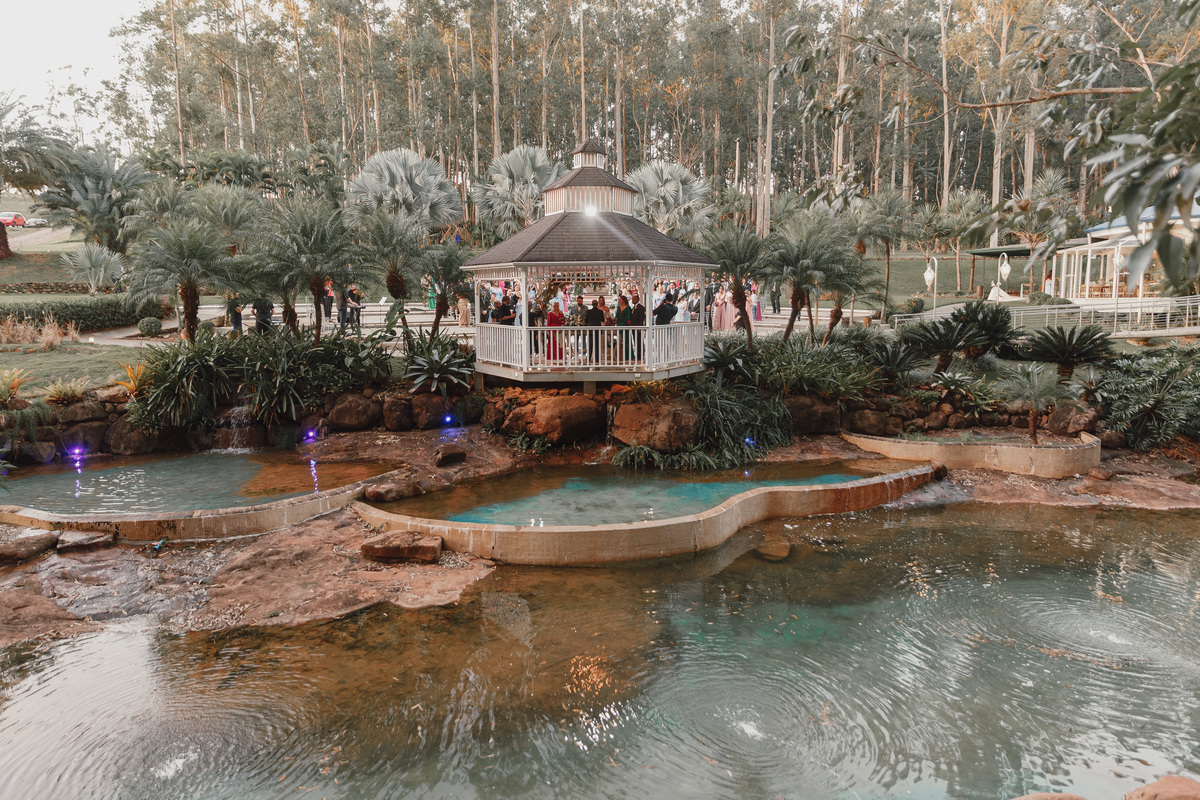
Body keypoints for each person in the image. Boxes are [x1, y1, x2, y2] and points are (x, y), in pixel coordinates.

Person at [615, 294, 633, 362]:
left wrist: (625, 323)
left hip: (625, 325)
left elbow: (628, 317)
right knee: (620, 340)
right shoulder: (619, 307)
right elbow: (617, 316)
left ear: (624, 300)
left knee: (626, 340)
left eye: (621, 300)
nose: (620, 301)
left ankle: (628, 356)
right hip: (619, 324)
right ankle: (621, 355)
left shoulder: (628, 308)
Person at [630, 292, 647, 361]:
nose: (632, 300)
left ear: (637, 299)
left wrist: (640, 326)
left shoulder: (641, 308)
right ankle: (637, 355)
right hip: (634, 327)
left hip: (638, 327)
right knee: (636, 341)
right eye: (632, 299)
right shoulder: (633, 308)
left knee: (639, 341)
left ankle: (641, 355)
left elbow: (642, 317)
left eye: (634, 299)